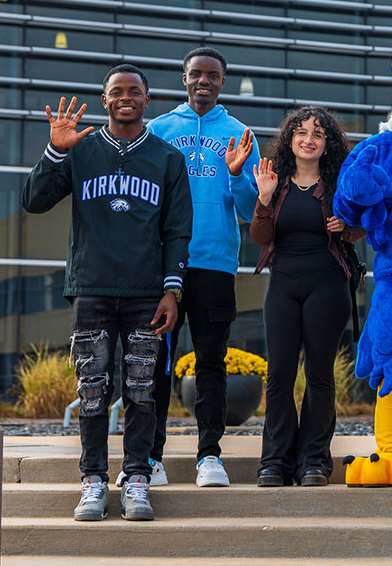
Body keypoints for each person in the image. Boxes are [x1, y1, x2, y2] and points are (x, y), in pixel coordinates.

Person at [21, 64, 192, 522]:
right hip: (91, 288)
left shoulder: (167, 158)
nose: (126, 97)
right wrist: (55, 151)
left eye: (134, 90)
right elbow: (32, 200)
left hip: (144, 293)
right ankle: (93, 481)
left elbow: (177, 231)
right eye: (117, 91)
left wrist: (171, 290)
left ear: (147, 100)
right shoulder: (80, 149)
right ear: (105, 100)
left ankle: (136, 478)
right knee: (93, 391)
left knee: (141, 392)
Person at [145, 46, 260, 488]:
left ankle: (209, 456)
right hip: (162, 268)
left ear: (222, 82)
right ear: (184, 78)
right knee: (153, 363)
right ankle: (150, 458)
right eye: (197, 74)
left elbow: (251, 210)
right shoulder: (158, 130)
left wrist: (235, 174)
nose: (204, 81)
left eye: (213, 75)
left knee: (211, 364)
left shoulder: (237, 132)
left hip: (214, 264)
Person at [249, 106, 364, 487]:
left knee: (319, 374)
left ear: (328, 143)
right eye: (300, 132)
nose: (308, 139)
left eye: (317, 133)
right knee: (279, 374)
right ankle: (275, 462)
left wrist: (346, 225)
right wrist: (264, 201)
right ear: (290, 140)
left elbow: (362, 229)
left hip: (327, 286)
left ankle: (313, 460)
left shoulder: (340, 183)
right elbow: (260, 238)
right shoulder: (275, 183)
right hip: (282, 285)